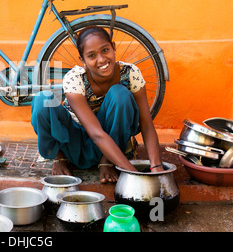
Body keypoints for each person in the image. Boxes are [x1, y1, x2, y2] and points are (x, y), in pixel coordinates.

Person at [31, 26, 163, 183]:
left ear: (113, 47)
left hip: (115, 142)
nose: (101, 60)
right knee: (42, 100)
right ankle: (60, 157)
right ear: (83, 60)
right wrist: (135, 175)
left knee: (119, 94)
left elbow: (147, 125)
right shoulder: (75, 79)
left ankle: (107, 160)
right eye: (91, 55)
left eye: (105, 50)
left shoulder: (130, 73)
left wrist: (156, 167)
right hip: (76, 144)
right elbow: (95, 133)